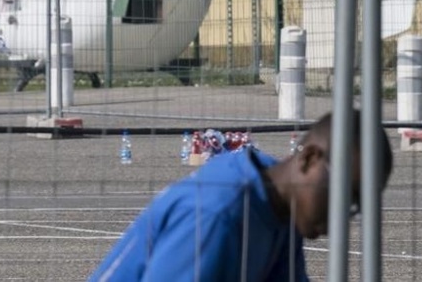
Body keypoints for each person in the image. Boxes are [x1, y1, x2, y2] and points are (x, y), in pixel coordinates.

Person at [89, 110, 394, 281]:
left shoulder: (282, 207)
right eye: (345, 195)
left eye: (356, 207)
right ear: (310, 159)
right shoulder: (217, 216)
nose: (343, 215)